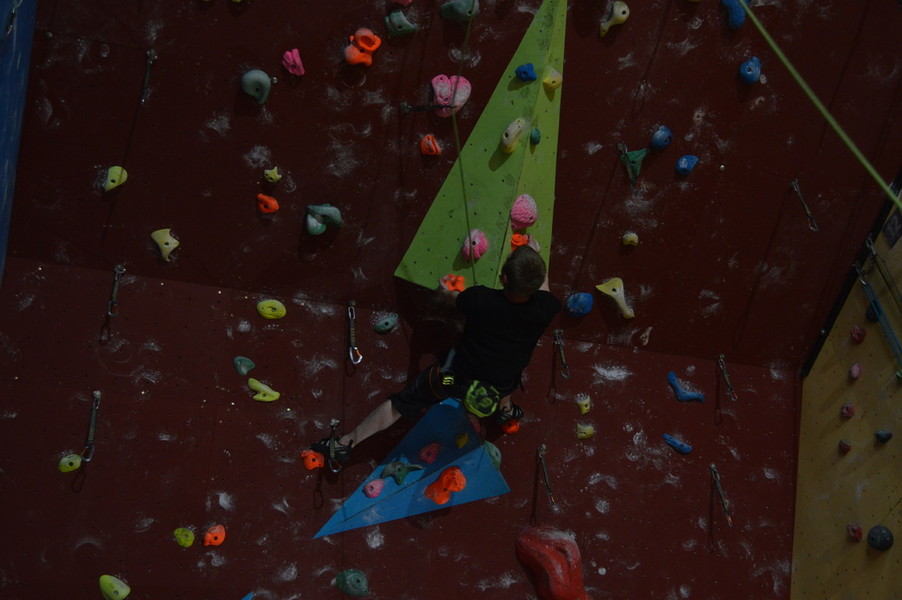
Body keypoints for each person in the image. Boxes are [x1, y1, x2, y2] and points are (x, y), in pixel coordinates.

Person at [312, 245, 561, 469]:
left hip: (456, 379)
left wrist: (444, 290)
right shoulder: (545, 308)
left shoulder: (480, 299)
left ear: (504, 278)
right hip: (500, 383)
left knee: (404, 402)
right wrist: (534, 255)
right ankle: (504, 410)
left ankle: (345, 443)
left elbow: (452, 298)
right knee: (509, 373)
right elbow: (544, 286)